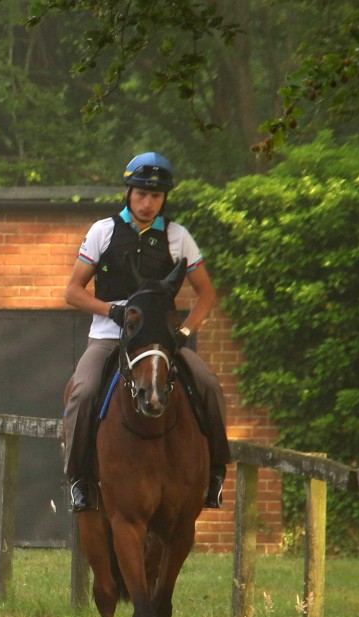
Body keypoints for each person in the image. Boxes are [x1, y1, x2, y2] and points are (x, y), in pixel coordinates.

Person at [62, 151, 230, 512]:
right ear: (128, 193)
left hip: (159, 341)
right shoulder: (102, 232)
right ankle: (79, 478)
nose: (148, 203)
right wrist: (113, 311)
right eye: (141, 194)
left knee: (208, 384)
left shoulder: (178, 237)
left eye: (156, 196)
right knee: (84, 391)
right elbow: (72, 292)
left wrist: (184, 332)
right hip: (109, 335)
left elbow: (207, 293)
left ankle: (215, 474)